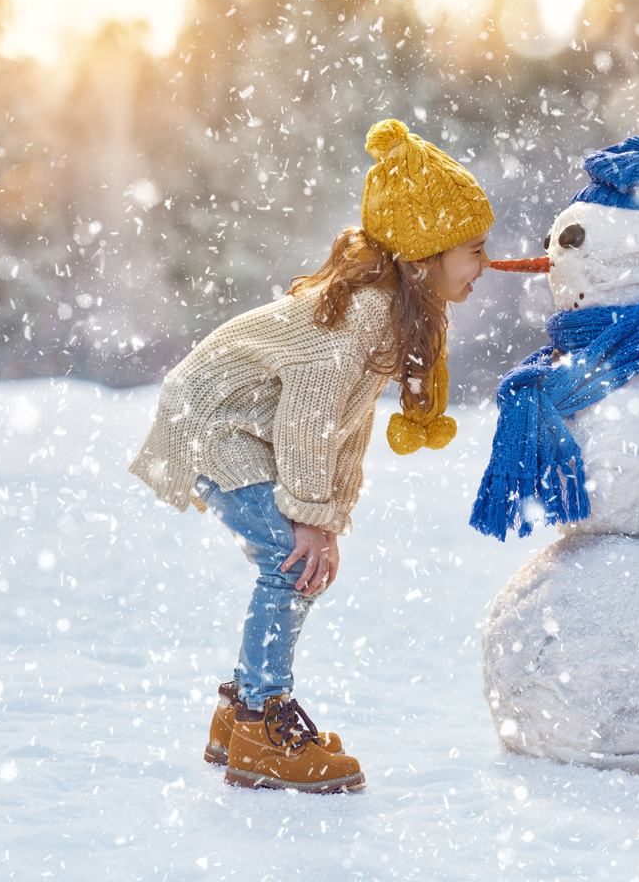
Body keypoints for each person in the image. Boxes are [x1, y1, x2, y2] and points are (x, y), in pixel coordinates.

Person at [128, 118, 494, 793]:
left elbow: (344, 428)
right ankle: (263, 721)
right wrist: (308, 518)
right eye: (473, 249)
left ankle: (238, 715)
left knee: (298, 557)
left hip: (246, 428)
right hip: (215, 421)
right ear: (424, 255)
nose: (486, 263)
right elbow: (307, 417)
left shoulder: (394, 312)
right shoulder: (366, 313)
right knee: (288, 562)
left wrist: (328, 514)